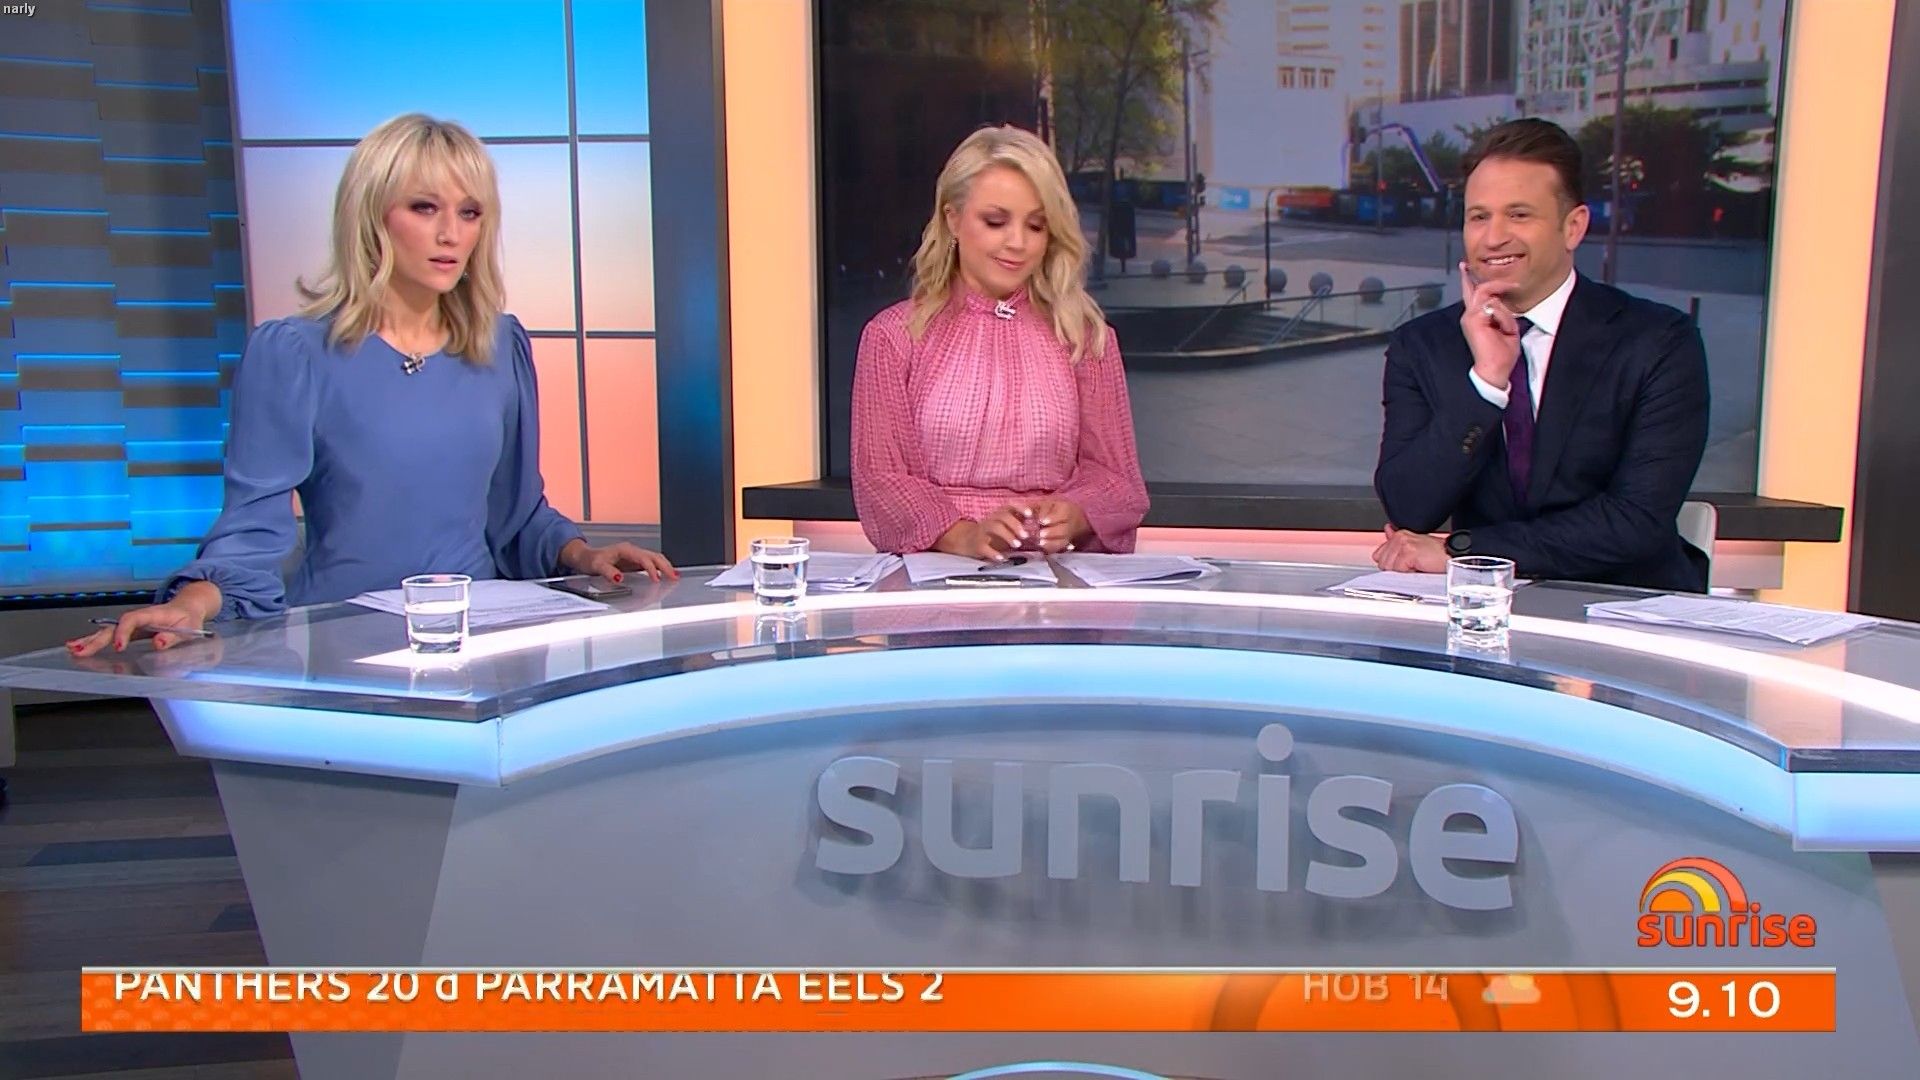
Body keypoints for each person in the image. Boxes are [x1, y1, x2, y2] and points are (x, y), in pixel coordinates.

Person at [70, 114, 674, 656]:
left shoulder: (499, 346)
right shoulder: (294, 353)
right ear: (371, 215)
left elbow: (515, 514)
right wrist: (192, 605)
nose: (451, 234)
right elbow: (252, 530)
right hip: (344, 637)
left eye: (469, 213)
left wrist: (583, 555)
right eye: (424, 208)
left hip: (483, 640)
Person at [1371, 118, 1710, 592]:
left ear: (1573, 227)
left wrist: (1461, 552)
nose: (1493, 237)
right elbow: (1409, 507)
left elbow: (1635, 520)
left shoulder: (1658, 341)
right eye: (1478, 217)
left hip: (1625, 603)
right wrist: (1487, 384)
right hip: (1484, 611)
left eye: (1519, 215)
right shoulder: (1423, 345)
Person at [851, 125, 1148, 560]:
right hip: (933, 573)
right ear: (953, 219)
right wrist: (965, 536)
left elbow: (1118, 480)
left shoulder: (1085, 337)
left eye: (1036, 226)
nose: (1018, 243)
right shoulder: (893, 336)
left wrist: (1076, 513)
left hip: (1053, 574)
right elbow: (881, 479)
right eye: (995, 222)